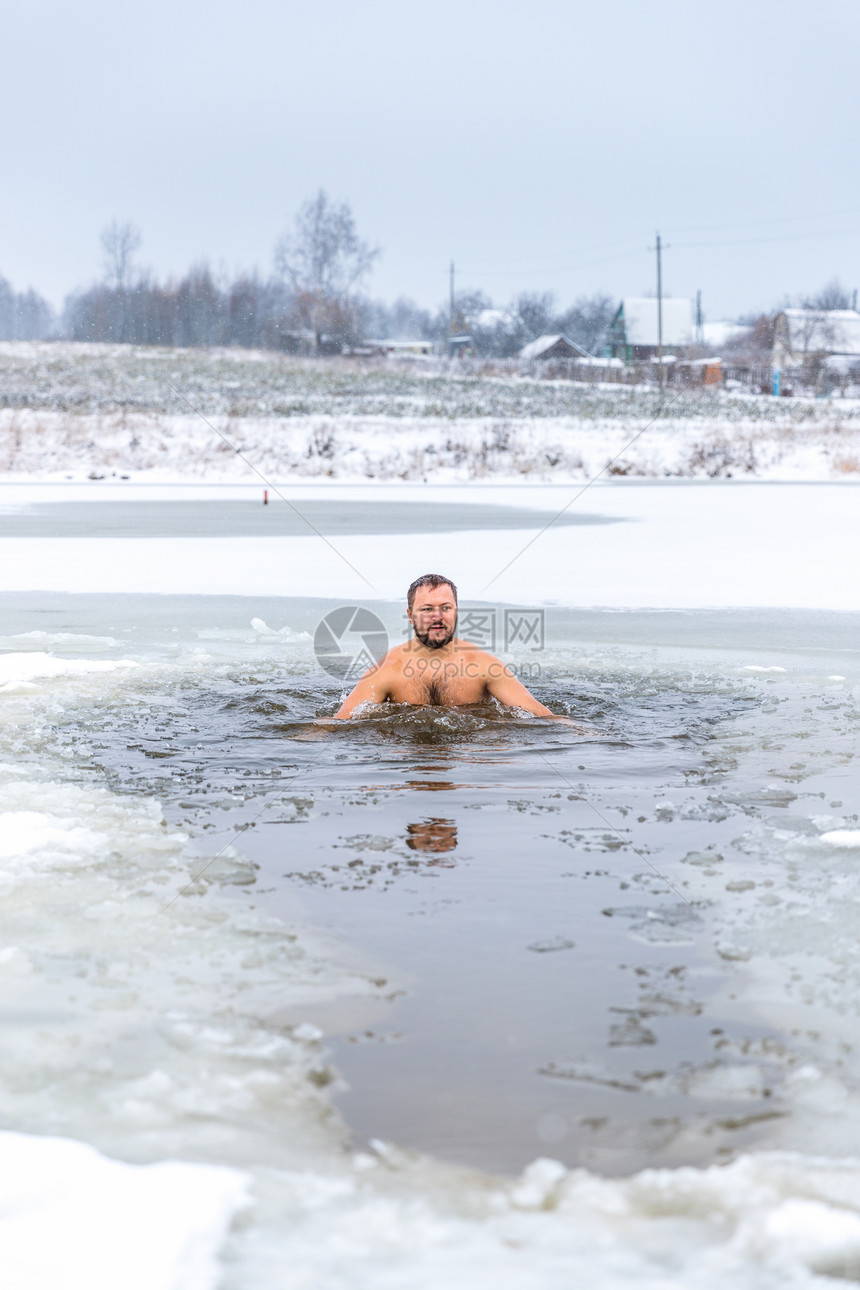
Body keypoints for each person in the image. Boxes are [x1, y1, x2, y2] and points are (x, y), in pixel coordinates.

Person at [334, 573, 571, 721]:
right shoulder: (388, 668)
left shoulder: (483, 666)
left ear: (456, 611)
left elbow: (540, 716)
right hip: (406, 755)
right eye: (427, 609)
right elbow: (343, 720)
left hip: (467, 757)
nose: (437, 616)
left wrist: (585, 733)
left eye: (445, 608)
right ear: (410, 615)